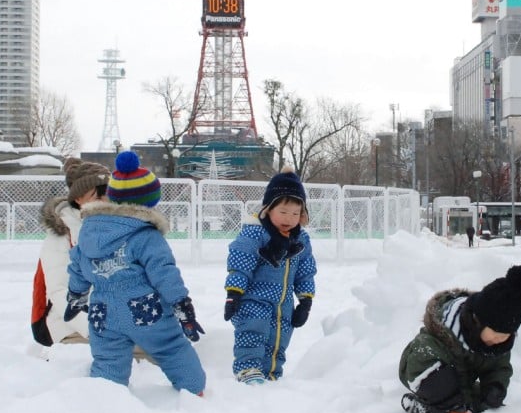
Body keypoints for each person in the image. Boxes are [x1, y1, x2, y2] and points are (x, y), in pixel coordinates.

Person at [64, 151, 206, 395]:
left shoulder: (87, 230)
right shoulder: (146, 236)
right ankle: (194, 390)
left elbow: (78, 265)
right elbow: (164, 273)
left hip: (102, 312)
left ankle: (105, 396)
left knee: (108, 359)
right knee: (171, 347)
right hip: (144, 310)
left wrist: (76, 296)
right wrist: (182, 306)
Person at [398, 265, 521, 413]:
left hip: (462, 383)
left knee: (482, 397)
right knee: (439, 383)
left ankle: (458, 408)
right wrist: (455, 400)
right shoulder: (443, 333)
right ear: (478, 321)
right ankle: (442, 410)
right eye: (495, 333)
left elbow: (499, 366)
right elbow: (418, 361)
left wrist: (495, 387)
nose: (498, 340)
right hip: (424, 372)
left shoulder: (496, 344)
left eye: (505, 335)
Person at [223, 168, 317, 384]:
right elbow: (240, 263)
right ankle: (248, 369)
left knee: (280, 337)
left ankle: (272, 373)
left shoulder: (300, 239)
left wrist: (305, 301)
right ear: (268, 209)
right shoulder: (255, 233)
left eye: (295, 214)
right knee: (253, 331)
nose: (289, 219)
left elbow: (306, 271)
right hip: (253, 300)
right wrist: (233, 293)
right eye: (283, 212)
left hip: (283, 303)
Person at [31, 157, 109, 347]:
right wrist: (94, 328)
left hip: (112, 317)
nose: (106, 201)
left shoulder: (114, 226)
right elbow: (59, 291)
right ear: (78, 198)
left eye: (109, 195)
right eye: (97, 197)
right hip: (69, 321)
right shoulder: (62, 233)